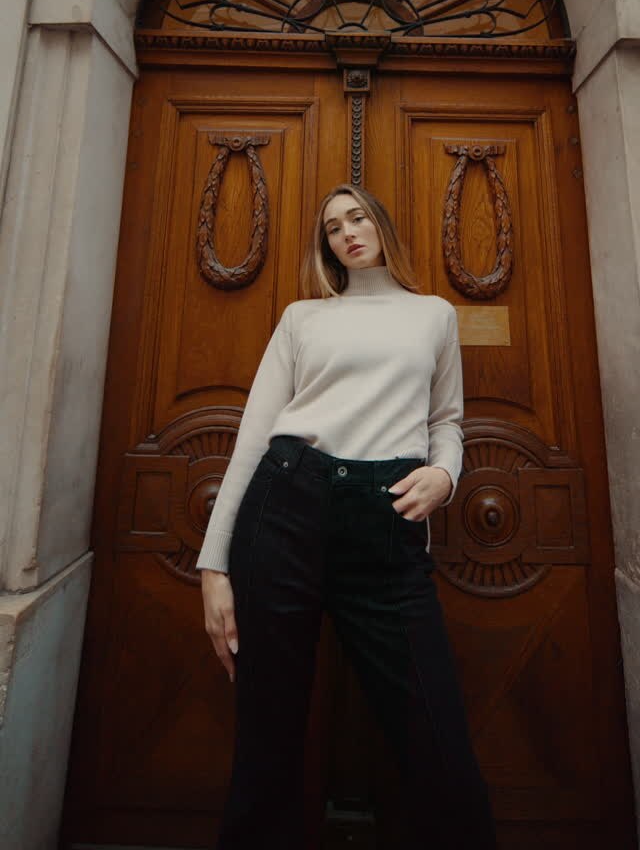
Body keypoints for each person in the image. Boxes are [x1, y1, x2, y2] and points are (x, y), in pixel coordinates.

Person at [198, 183, 496, 849]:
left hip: (386, 521)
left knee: (437, 736)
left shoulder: (433, 315)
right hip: (287, 504)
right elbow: (254, 435)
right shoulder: (305, 318)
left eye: (357, 217)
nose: (347, 233)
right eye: (333, 227)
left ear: (381, 224)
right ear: (325, 246)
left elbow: (446, 420)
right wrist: (214, 567)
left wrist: (445, 477)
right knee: (266, 738)